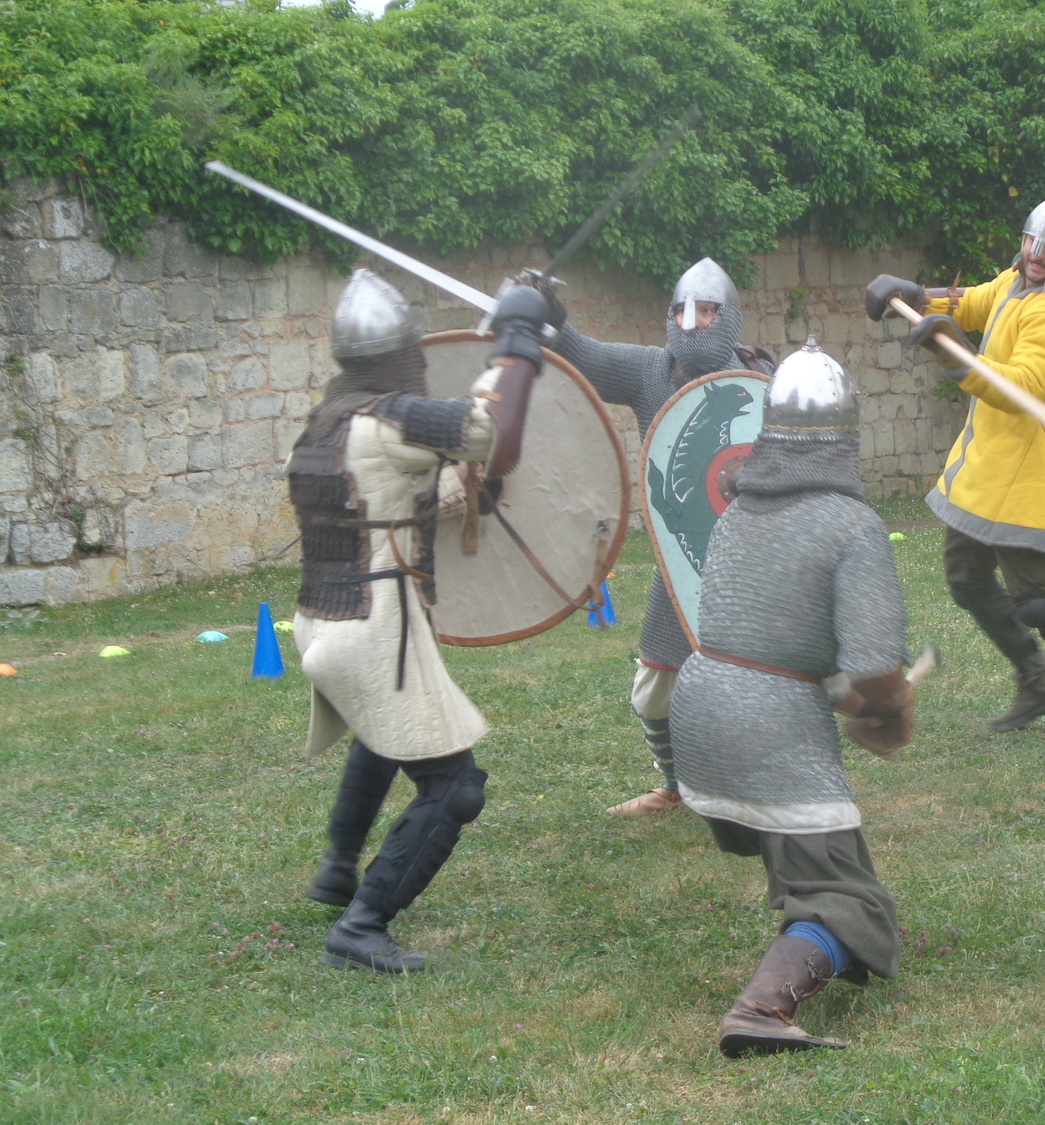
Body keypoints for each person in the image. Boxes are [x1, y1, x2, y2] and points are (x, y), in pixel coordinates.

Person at [293, 269, 554, 973]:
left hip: (325, 623)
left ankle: (338, 869)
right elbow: (493, 434)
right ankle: (361, 926)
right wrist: (517, 341)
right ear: (403, 351)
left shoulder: (326, 423)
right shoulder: (392, 418)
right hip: (373, 633)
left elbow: (403, 495)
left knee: (383, 735)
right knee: (455, 787)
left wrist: (464, 486)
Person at [669, 339, 913, 1056]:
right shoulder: (852, 526)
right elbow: (872, 665)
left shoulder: (736, 513)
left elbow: (772, 640)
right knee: (847, 896)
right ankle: (763, 1009)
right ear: (846, 434)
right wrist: (891, 706)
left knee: (826, 862)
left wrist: (854, 699)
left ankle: (831, 934)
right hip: (767, 730)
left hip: (700, 707)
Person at [862, 194, 1045, 739]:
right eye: (1032, 241)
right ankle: (1037, 682)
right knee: (967, 579)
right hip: (985, 466)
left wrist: (953, 350)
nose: (1037, 254)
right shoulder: (1016, 281)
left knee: (1038, 602)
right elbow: (974, 302)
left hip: (1031, 473)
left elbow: (1021, 386)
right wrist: (917, 296)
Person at [546, 258, 774, 816]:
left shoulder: (764, 379)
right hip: (683, 563)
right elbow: (583, 356)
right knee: (654, 691)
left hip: (753, 562)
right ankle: (674, 786)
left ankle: (761, 781)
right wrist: (549, 316)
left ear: (729, 317)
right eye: (681, 311)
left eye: (707, 310)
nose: (692, 322)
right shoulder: (649, 371)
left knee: (763, 682)